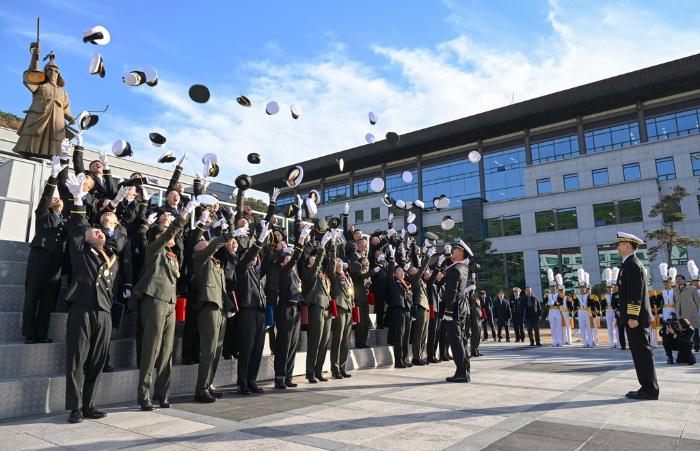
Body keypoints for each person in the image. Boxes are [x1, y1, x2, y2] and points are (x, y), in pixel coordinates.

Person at [62, 172, 117, 423]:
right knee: (77, 358)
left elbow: (116, 237)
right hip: (82, 306)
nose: (99, 233)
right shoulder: (79, 249)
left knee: (97, 360)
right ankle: (75, 407)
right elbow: (77, 226)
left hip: (104, 311)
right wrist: (77, 200)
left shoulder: (109, 257)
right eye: (94, 231)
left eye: (102, 232)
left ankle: (89, 404)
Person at [132, 201, 194, 410]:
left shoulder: (173, 256)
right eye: (165, 235)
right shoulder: (153, 250)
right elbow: (167, 235)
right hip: (154, 300)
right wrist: (183, 215)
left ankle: (162, 393)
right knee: (152, 348)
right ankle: (144, 394)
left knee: (167, 351)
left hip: (170, 303)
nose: (171, 238)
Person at [191, 223, 239, 402]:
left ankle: (208, 384)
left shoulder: (216, 264)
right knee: (208, 349)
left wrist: (228, 307)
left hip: (220, 308)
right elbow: (212, 246)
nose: (205, 243)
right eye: (202, 242)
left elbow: (222, 289)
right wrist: (228, 236)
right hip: (208, 306)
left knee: (217, 350)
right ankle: (200, 388)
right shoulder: (199, 258)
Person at [23, 157, 66, 344]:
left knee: (49, 299)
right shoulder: (43, 215)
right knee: (33, 294)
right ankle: (29, 333)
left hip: (56, 261)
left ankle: (41, 333)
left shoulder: (66, 221)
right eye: (53, 199)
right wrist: (53, 176)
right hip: (40, 255)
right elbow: (46, 197)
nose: (56, 199)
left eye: (59, 199)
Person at [616, 232, 659, 401]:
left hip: (636, 319)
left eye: (620, 244)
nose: (618, 247)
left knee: (642, 353)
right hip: (633, 317)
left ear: (627, 245)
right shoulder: (629, 263)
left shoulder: (632, 264)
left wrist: (632, 317)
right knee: (639, 353)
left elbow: (635, 294)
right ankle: (646, 386)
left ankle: (650, 390)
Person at [235, 220, 273, 395]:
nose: (255, 259)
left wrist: (264, 242)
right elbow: (250, 256)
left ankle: (252, 380)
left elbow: (265, 261)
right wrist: (258, 240)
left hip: (259, 312)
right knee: (247, 348)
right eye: (251, 256)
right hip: (247, 311)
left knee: (258, 349)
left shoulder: (256, 273)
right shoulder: (241, 268)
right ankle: (242, 382)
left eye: (257, 257)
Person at [14, 50, 74, 158]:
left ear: (58, 74)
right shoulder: (40, 84)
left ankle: (50, 155)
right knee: (32, 135)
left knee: (55, 140)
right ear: (45, 72)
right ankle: (28, 152)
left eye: (55, 71)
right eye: (49, 70)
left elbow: (66, 109)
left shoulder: (63, 92)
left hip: (56, 120)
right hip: (39, 115)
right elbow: (31, 76)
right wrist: (35, 57)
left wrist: (70, 118)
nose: (52, 72)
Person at [274, 226, 309, 388]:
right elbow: (296, 258)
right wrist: (301, 239)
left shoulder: (293, 272)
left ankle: (288, 376)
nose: (290, 259)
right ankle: (279, 377)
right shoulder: (283, 271)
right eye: (286, 258)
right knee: (284, 344)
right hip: (285, 309)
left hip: (295, 309)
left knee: (294, 344)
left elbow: (296, 261)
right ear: (282, 263)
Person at [303, 230, 335, 383]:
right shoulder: (310, 273)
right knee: (315, 341)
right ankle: (310, 373)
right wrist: (322, 246)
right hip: (315, 306)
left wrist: (332, 244)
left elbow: (332, 264)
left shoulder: (324, 275)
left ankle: (318, 370)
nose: (316, 260)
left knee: (324, 342)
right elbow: (316, 266)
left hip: (327, 308)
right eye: (313, 258)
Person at [441, 239, 473, 383]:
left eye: (455, 250)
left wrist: (448, 311)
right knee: (462, 339)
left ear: (460, 254)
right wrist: (447, 257)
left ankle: (461, 373)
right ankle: (465, 370)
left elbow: (451, 293)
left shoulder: (455, 269)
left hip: (454, 309)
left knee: (456, 340)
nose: (453, 251)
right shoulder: (463, 268)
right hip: (462, 308)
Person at [387, 245, 413, 368]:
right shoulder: (393, 282)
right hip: (398, 309)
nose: (402, 272)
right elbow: (389, 274)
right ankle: (398, 360)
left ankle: (405, 358)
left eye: (402, 271)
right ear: (395, 273)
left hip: (407, 310)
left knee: (406, 335)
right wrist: (392, 259)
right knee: (399, 335)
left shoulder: (405, 284)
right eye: (399, 271)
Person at [330, 253, 355, 379]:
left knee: (346, 340)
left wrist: (354, 311)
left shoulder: (347, 276)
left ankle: (342, 367)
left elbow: (352, 295)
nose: (339, 263)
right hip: (339, 307)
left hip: (349, 308)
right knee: (338, 339)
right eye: (337, 261)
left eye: (340, 261)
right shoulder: (333, 275)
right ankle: (335, 369)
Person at [409, 247, 434, 365]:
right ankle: (416, 357)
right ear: (411, 273)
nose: (417, 270)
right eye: (414, 269)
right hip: (420, 307)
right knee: (419, 333)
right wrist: (427, 256)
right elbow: (422, 269)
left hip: (426, 307)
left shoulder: (420, 281)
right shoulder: (413, 279)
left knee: (424, 333)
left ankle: (421, 356)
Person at [674, 274, 700, 352]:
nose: (678, 280)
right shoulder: (675, 290)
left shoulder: (692, 288)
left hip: (691, 313)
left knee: (694, 329)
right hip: (681, 314)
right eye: (676, 279)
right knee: (683, 330)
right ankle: (687, 346)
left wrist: (695, 312)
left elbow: (697, 302)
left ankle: (697, 346)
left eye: (679, 279)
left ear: (684, 280)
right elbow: (676, 301)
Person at [602, 268, 620, 349]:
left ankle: (618, 342)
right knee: (610, 328)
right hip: (608, 311)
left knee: (617, 327)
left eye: (611, 287)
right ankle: (612, 343)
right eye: (608, 287)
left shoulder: (615, 295)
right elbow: (603, 305)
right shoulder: (604, 295)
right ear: (606, 288)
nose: (610, 288)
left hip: (614, 311)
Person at [545, 270, 563, 347]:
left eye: (554, 286)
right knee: (553, 327)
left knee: (559, 326)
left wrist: (555, 303)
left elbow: (561, 302)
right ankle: (555, 341)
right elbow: (545, 303)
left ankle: (560, 341)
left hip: (557, 310)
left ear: (556, 287)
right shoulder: (547, 294)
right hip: (551, 311)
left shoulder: (559, 294)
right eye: (551, 286)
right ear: (549, 287)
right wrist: (548, 304)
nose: (552, 288)